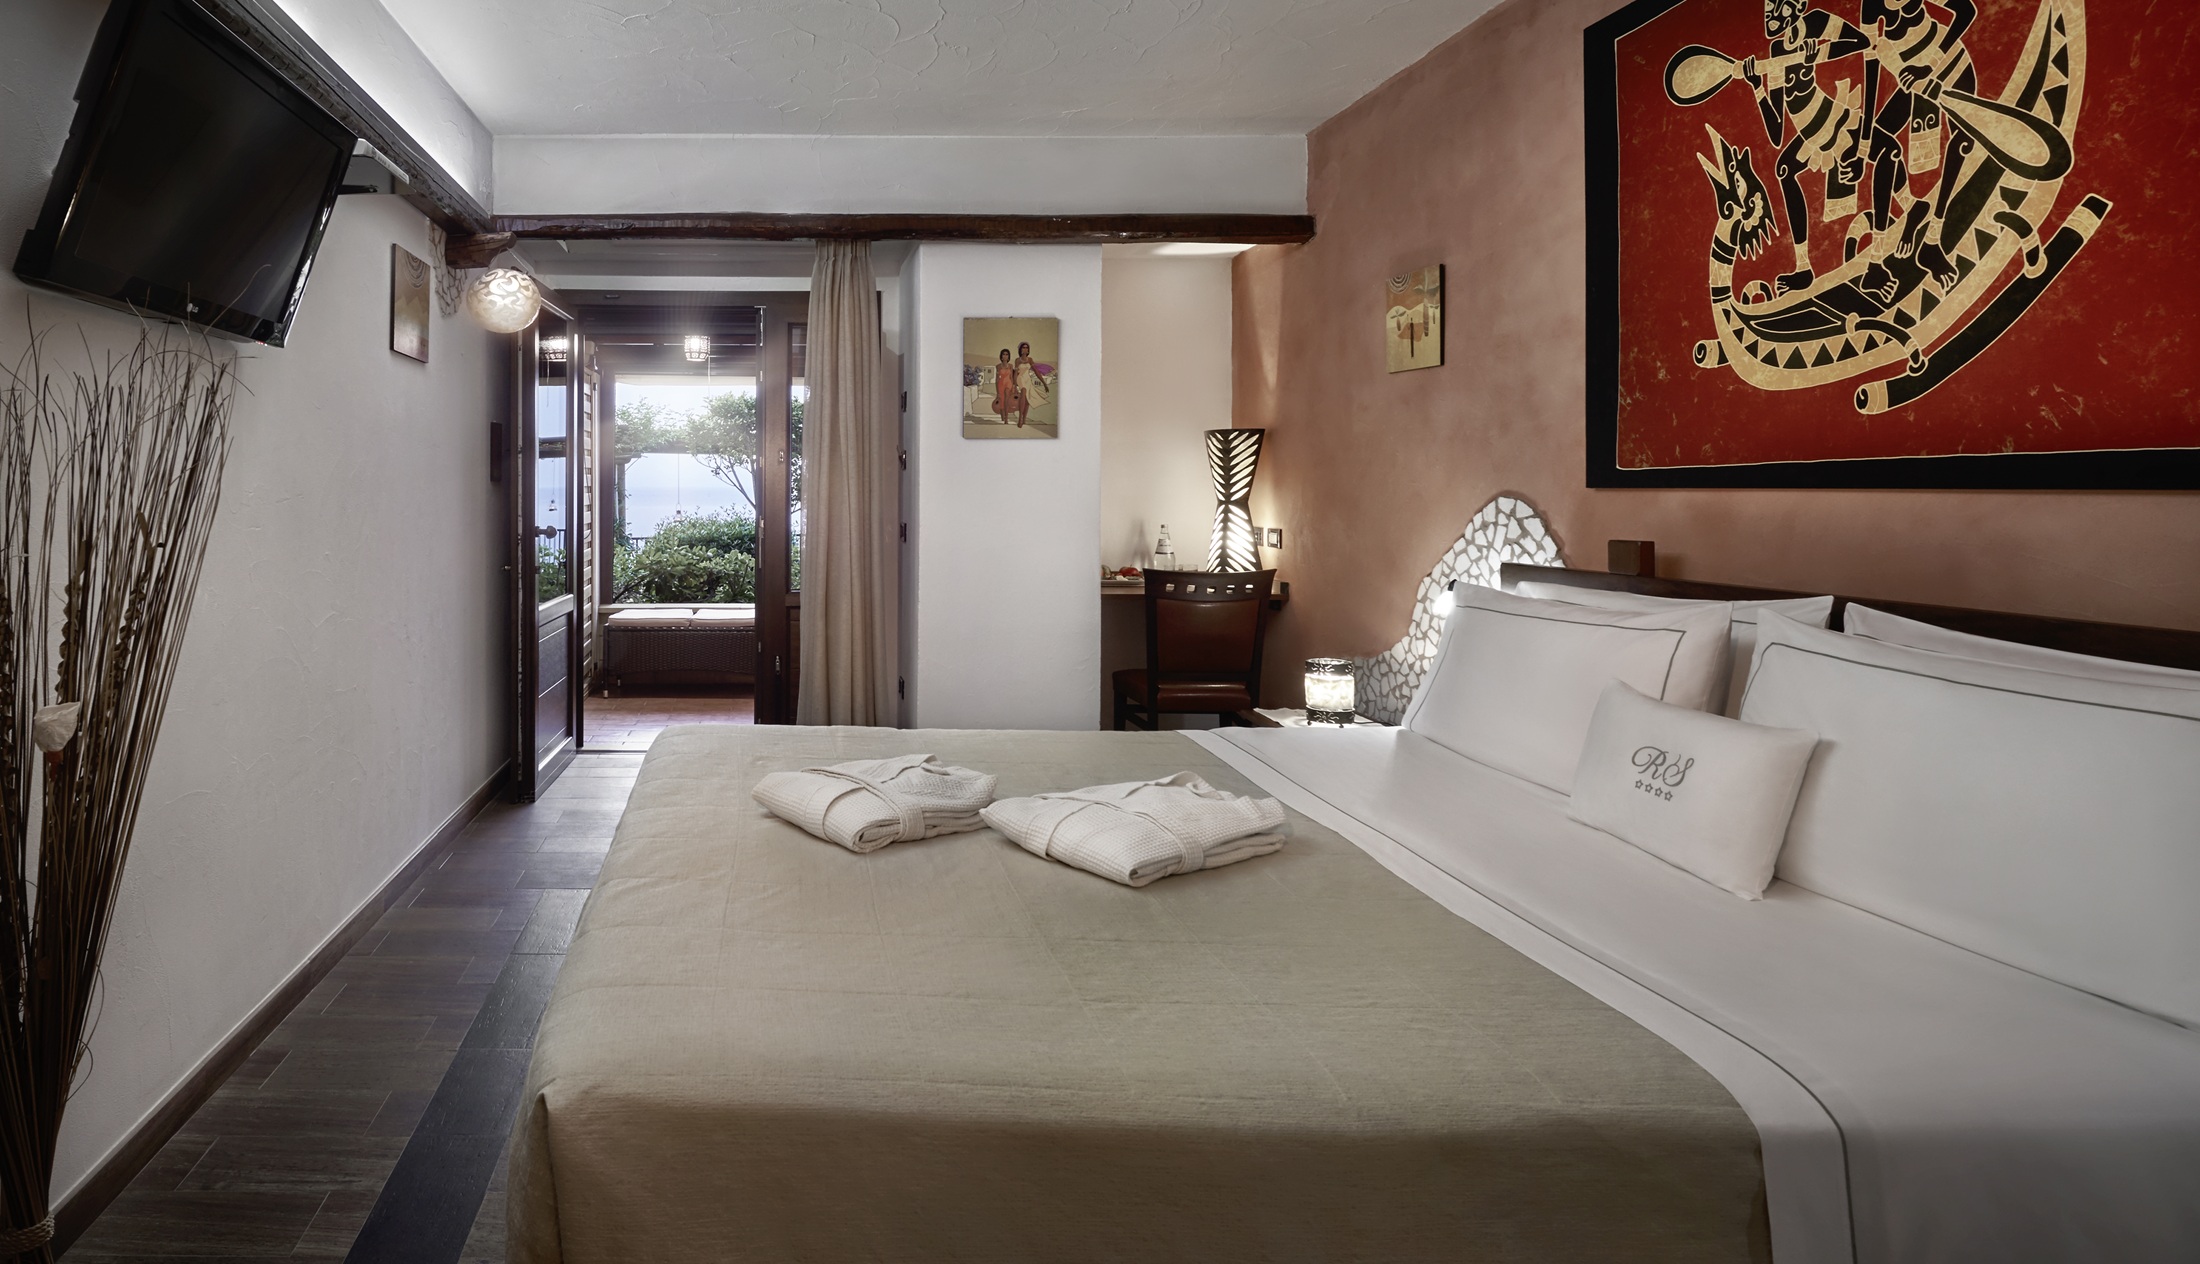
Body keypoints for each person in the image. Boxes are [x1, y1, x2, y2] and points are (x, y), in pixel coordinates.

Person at [1012, 341, 1050, 426]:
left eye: (1027, 348)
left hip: (1028, 379)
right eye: (1023, 347)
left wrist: (1044, 383)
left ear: (1028, 350)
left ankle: (1024, 418)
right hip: (1020, 378)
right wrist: (1014, 386)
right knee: (1023, 391)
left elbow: (1036, 371)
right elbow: (1015, 373)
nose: (1025, 349)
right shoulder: (1017, 360)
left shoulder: (1030, 359)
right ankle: (1020, 419)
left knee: (1027, 400)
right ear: (1020, 349)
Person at [991, 348, 1024, 425]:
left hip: (1008, 383)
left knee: (1006, 399)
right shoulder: (998, 366)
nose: (1005, 356)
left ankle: (1006, 418)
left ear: (1008, 356)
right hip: (1001, 384)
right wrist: (997, 392)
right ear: (1001, 356)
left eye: (1007, 354)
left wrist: (1014, 387)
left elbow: (1011, 377)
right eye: (1004, 354)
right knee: (1002, 401)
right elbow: (997, 379)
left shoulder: (1010, 366)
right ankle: (1003, 416)